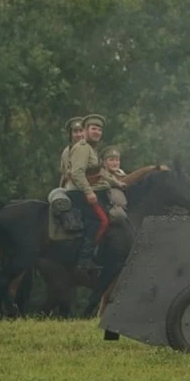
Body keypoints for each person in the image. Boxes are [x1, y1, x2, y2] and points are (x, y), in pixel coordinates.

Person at [65, 114, 114, 270]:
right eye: (93, 129)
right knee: (102, 221)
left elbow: (99, 172)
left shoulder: (93, 149)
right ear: (86, 130)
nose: (97, 132)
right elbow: (77, 173)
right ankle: (84, 259)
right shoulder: (82, 148)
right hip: (79, 192)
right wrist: (89, 192)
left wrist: (118, 182)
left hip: (88, 190)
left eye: (99, 129)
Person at [59, 117, 84, 188]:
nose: (79, 134)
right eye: (75, 131)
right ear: (71, 134)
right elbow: (64, 175)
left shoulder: (91, 149)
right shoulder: (66, 152)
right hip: (71, 188)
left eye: (81, 131)